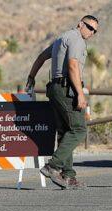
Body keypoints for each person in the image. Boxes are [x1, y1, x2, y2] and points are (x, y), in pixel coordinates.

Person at [25, 15, 99, 189]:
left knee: (65, 132)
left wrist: (31, 77)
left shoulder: (61, 38)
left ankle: (68, 176)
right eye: (89, 27)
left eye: (95, 30)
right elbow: (73, 66)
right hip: (67, 89)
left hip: (55, 89)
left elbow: (41, 57)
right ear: (81, 24)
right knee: (79, 129)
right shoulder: (76, 39)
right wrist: (80, 94)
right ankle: (53, 166)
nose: (91, 32)